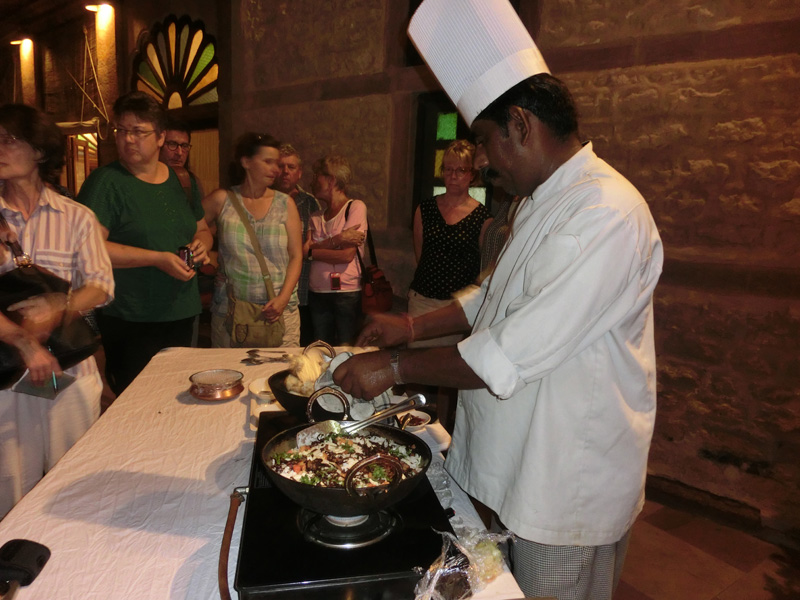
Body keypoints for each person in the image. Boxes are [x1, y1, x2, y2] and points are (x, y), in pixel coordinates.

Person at [332, 1, 664, 599]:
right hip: (518, 467)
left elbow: (510, 348)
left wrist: (395, 367)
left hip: (563, 487)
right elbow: (495, 294)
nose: (480, 161)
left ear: (521, 124)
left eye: (483, 141)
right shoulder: (541, 200)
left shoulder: (606, 212)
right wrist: (412, 328)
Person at [0, 104, 114, 517]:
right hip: (7, 375)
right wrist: (22, 339)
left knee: (74, 484)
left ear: (40, 151)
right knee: (11, 490)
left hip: (68, 366)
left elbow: (101, 285)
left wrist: (59, 305)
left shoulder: (76, 217)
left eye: (9, 139)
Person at [77, 91, 211, 395]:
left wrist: (201, 244)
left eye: (138, 131)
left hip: (182, 310)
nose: (128, 139)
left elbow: (202, 229)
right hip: (132, 316)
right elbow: (90, 248)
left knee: (180, 395)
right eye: (121, 130)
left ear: (160, 136)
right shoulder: (106, 182)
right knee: (138, 399)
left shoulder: (182, 180)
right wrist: (157, 259)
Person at [202, 133, 303, 347]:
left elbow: (296, 255)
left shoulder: (285, 204)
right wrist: (206, 251)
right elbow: (188, 227)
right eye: (268, 162)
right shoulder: (223, 200)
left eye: (276, 163)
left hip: (279, 312)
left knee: (282, 368)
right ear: (246, 162)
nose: (275, 169)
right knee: (229, 368)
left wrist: (283, 298)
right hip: (231, 311)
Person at [408, 139, 491, 347]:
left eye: (460, 170)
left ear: (472, 174)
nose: (453, 176)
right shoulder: (425, 210)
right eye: (448, 169)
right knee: (415, 362)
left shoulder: (482, 218)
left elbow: (484, 268)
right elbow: (421, 255)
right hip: (423, 300)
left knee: (448, 363)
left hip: (457, 308)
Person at [305, 155, 367, 346]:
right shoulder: (315, 217)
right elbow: (305, 250)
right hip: (317, 292)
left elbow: (346, 255)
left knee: (346, 348)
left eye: (317, 175)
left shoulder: (355, 207)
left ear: (331, 180)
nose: (312, 181)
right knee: (321, 349)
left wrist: (313, 252)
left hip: (346, 293)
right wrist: (339, 239)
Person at [272, 144, 320, 346]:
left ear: (299, 173)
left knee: (302, 347)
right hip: (270, 288)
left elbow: (316, 243)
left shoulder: (310, 203)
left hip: (302, 291)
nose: (285, 171)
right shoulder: (263, 201)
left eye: (291, 167)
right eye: (281, 166)